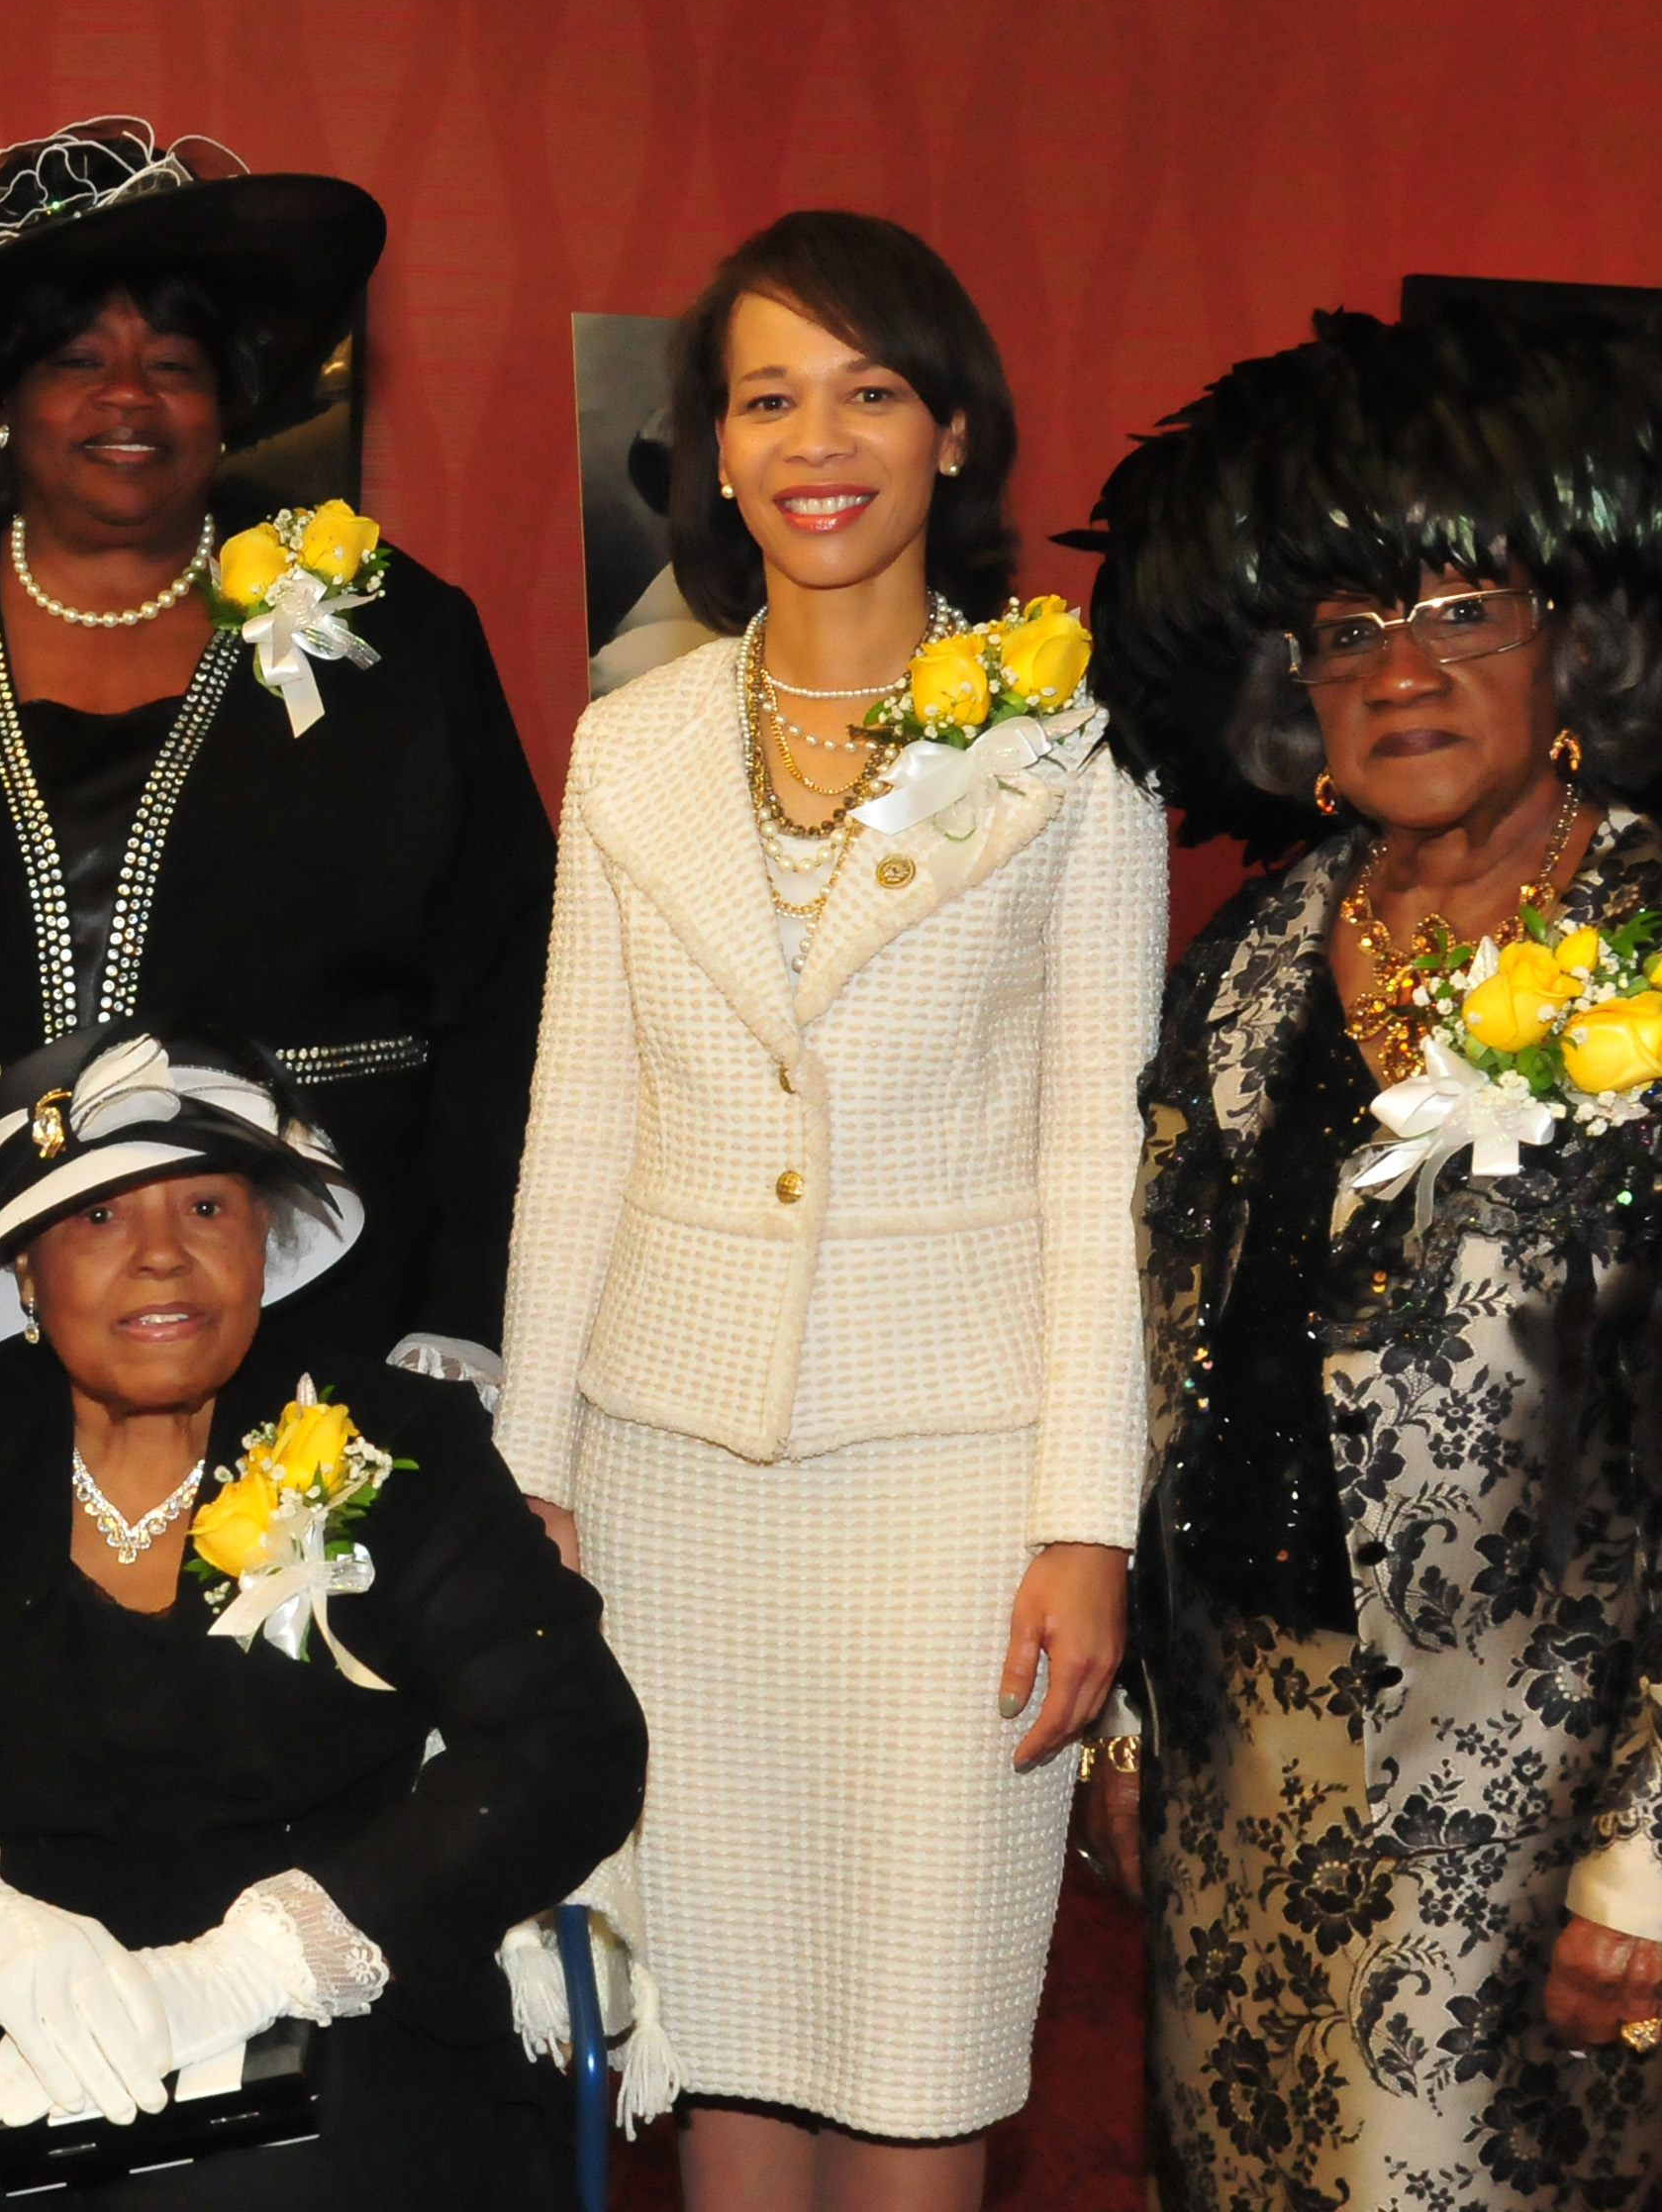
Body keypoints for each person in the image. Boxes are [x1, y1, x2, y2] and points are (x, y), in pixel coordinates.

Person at [1076, 303, 1662, 2211]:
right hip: (1239, 1762)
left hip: (1540, 1794)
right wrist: (1133, 1719)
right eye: (1348, 632)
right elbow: (1163, 1357)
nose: (1401, 671)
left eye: (1460, 611)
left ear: (1572, 652)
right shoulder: (1246, 964)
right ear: (1294, 692)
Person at [493, 213, 1161, 2212]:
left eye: (869, 387)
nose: (818, 438)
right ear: (706, 447)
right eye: (767, 394)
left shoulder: (1066, 748)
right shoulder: (629, 750)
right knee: (709, 2025)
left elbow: (1091, 1164)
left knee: (923, 2031)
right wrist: (532, 1464)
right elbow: (574, 1130)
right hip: (669, 1480)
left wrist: (1084, 1516)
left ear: (952, 430)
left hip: (950, 1497)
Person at [0, 1020, 646, 2209]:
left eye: (207, 1208)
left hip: (325, 2031)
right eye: (99, 1216)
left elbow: (568, 1740)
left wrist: (251, 1963)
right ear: (23, 1269)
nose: (161, 1256)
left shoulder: (397, 1444)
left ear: (265, 1240)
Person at [0, 119, 549, 1417]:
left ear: (229, 402)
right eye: (78, 361)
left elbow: (505, 1005)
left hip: (306, 1325)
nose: (128, 399)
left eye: (175, 365)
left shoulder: (397, 639)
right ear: (1, 398)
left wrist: (465, 1312)